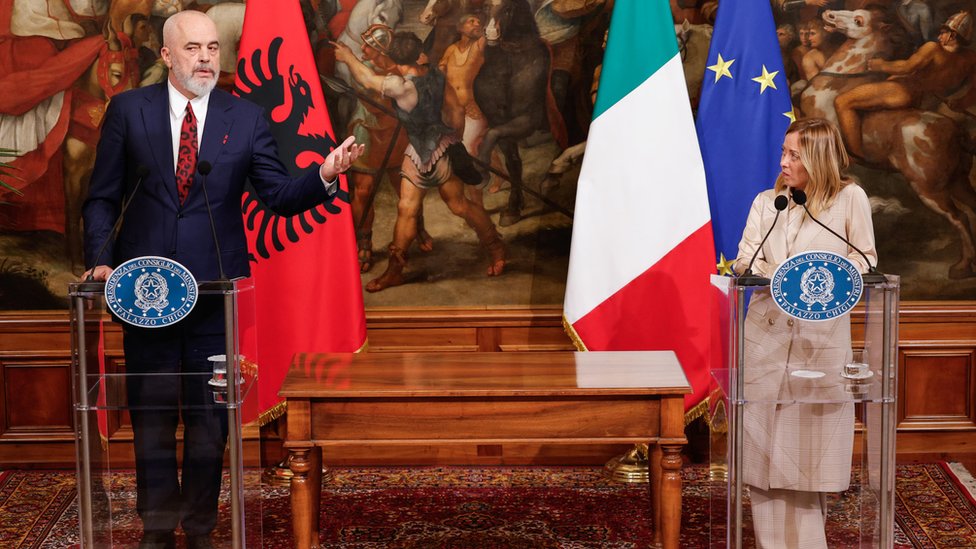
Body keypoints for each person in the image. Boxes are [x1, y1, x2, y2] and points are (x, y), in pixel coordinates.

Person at [81, 10, 363, 549]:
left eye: (213, 47)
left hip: (218, 297)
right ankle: (158, 529)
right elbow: (101, 197)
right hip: (147, 294)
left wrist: (325, 174)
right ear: (166, 55)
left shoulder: (246, 116)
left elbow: (278, 198)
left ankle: (203, 528)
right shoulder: (128, 111)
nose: (207, 58)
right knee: (154, 416)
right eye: (193, 48)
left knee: (211, 424)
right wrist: (101, 258)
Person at [734, 117, 877, 548]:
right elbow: (745, 262)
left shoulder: (849, 199)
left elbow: (866, 261)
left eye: (794, 154)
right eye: (783, 152)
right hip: (766, 338)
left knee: (804, 455)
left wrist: (816, 279)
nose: (783, 162)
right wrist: (779, 276)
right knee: (763, 454)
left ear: (819, 157)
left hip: (820, 343)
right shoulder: (767, 202)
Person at [333, 31, 505, 293]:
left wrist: (347, 57)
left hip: (428, 152)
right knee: (429, 207)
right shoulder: (434, 73)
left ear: (393, 56)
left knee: (434, 207)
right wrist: (455, 138)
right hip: (431, 149)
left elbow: (366, 78)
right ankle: (397, 270)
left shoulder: (400, 86)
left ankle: (493, 248)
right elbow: (456, 110)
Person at [834, 10, 976, 159]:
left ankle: (857, 156)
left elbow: (907, 67)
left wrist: (881, 65)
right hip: (925, 101)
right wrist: (961, 102)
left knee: (842, 101)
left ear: (952, 35)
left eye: (943, 33)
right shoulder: (971, 59)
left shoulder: (933, 48)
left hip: (904, 91)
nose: (939, 36)